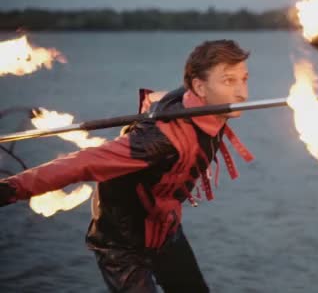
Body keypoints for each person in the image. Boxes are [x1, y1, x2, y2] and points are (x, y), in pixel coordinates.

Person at [0, 39, 254, 292]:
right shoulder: (157, 141)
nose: (242, 93)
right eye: (229, 81)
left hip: (164, 228)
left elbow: (165, 97)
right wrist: (13, 188)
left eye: (244, 79)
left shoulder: (209, 107)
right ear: (199, 86)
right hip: (122, 245)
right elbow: (81, 163)